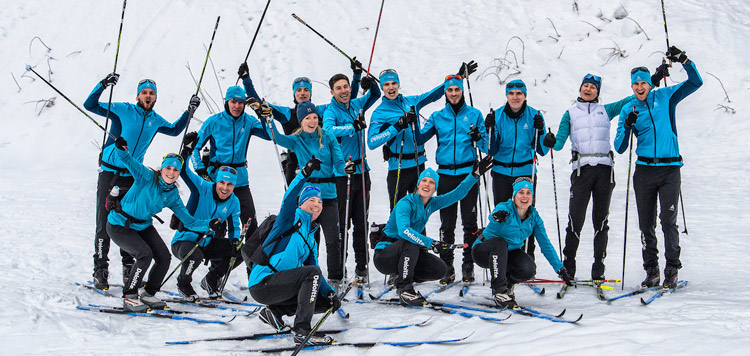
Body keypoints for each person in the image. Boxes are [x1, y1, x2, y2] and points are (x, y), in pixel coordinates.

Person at [84, 74, 197, 290]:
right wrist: (103, 85)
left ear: (155, 98)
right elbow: (89, 105)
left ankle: (129, 268)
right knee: (104, 220)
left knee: (129, 219)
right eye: (144, 92)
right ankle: (100, 269)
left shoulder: (155, 120)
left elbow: (174, 130)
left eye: (151, 93)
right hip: (109, 172)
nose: (148, 95)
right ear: (138, 96)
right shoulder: (123, 109)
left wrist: (189, 111)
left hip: (132, 176)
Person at [614, 46, 702, 289]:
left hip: (669, 170)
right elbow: (620, 147)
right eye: (635, 85)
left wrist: (684, 60)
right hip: (644, 172)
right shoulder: (628, 109)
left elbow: (696, 82)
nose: (640, 87)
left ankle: (672, 268)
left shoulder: (664, 97)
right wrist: (629, 126)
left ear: (649, 85)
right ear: (632, 87)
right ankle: (651, 269)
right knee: (646, 224)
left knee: (668, 221)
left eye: (643, 83)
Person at [542, 74, 635, 280]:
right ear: (580, 89)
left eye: (593, 87)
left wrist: (652, 80)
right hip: (581, 171)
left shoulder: (606, 110)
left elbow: (632, 98)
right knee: (575, 219)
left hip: (604, 170)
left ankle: (598, 265)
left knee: (600, 220)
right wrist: (547, 140)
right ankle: (569, 264)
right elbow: (557, 144)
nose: (588, 89)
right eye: (585, 85)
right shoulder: (571, 113)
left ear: (598, 92)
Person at [106, 137, 215, 312]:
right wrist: (121, 148)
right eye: (168, 168)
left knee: (164, 257)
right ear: (162, 168)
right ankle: (130, 296)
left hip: (143, 226)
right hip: (120, 224)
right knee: (144, 255)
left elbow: (189, 221)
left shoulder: (172, 194)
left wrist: (209, 224)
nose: (171, 173)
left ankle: (148, 292)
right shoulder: (146, 176)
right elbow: (128, 160)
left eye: (175, 170)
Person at [246, 157, 341, 347]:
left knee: (323, 300)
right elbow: (289, 197)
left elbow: (314, 269)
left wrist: (330, 293)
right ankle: (302, 331)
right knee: (311, 274)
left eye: (320, 201)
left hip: (280, 286)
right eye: (311, 200)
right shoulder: (289, 220)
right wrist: (304, 174)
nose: (317, 204)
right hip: (263, 283)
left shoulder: (311, 235)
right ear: (301, 203)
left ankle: (274, 312)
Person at [373, 158, 493, 306]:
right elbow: (404, 231)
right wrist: (431, 243)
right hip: (385, 256)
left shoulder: (432, 203)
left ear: (435, 188)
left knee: (440, 269)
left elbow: (457, 194)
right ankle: (405, 288)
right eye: (424, 180)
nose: (427, 184)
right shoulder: (406, 203)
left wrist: (474, 176)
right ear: (418, 184)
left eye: (431, 182)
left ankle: (403, 275)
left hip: (406, 254)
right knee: (411, 242)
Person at [238, 60, 361, 184]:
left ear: (310, 93)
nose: (302, 93)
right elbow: (261, 104)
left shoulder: (321, 111)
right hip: (295, 168)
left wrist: (356, 77)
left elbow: (345, 101)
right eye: (299, 90)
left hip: (322, 169)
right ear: (294, 93)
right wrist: (246, 79)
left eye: (306, 90)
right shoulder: (286, 113)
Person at [265, 101, 346, 286]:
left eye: (315, 117)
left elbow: (339, 161)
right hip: (307, 196)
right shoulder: (297, 139)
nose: (312, 121)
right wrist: (269, 120)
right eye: (307, 118)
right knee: (308, 239)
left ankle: (335, 278)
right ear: (301, 121)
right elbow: (276, 138)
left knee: (333, 238)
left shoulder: (328, 136)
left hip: (328, 195)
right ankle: (308, 276)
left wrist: (346, 168)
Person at [419, 73, 488, 284]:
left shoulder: (475, 114)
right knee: (447, 224)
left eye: (457, 89)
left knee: (470, 222)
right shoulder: (438, 116)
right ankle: (447, 265)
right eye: (450, 90)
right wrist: (413, 118)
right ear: (445, 93)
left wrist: (479, 138)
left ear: (462, 91)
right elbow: (420, 139)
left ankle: (468, 264)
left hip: (468, 174)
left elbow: (486, 147)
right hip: (446, 174)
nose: (454, 93)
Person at [190, 85, 272, 256]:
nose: (237, 106)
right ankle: (216, 269)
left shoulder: (249, 121)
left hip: (240, 180)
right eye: (233, 102)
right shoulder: (213, 121)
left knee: (250, 223)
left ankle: (254, 269)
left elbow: (268, 134)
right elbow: (194, 148)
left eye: (241, 102)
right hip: (218, 180)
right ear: (227, 102)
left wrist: (261, 114)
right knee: (219, 224)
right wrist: (201, 171)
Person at [473, 178, 572, 308]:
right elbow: (494, 214)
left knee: (528, 269)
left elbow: (545, 244)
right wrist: (498, 216)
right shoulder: (506, 209)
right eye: (521, 192)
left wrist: (560, 269)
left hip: (506, 255)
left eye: (528, 193)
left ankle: (507, 285)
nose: (524, 196)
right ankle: (499, 292)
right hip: (483, 252)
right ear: (514, 196)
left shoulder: (534, 218)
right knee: (499, 242)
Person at [169, 133, 243, 301]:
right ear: (216, 182)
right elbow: (184, 171)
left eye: (230, 184)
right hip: (184, 240)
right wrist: (186, 151)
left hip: (206, 243)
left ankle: (211, 279)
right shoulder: (203, 187)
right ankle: (184, 283)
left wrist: (235, 240)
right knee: (194, 255)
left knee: (239, 251)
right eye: (222, 183)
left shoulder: (234, 201)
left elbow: (234, 227)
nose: (225, 188)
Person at [323, 72, 381, 283]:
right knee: (341, 225)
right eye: (339, 88)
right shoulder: (331, 111)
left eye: (346, 86)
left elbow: (375, 95)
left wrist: (371, 84)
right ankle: (339, 268)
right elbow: (328, 131)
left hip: (362, 172)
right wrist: (352, 126)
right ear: (332, 92)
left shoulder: (357, 104)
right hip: (342, 174)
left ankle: (362, 266)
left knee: (361, 223)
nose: (344, 91)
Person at [486, 79, 549, 259]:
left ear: (525, 95)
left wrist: (542, 130)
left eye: (519, 93)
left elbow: (542, 150)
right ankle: (501, 257)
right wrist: (488, 128)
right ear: (506, 95)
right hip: (501, 172)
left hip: (525, 172)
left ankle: (527, 258)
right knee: (502, 215)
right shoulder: (497, 115)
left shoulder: (534, 115)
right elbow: (491, 150)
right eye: (511, 93)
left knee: (525, 216)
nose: (515, 97)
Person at [368, 68, 446, 210]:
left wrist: (454, 80)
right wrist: (397, 126)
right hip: (398, 168)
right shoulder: (379, 112)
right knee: (399, 213)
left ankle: (419, 233)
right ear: (382, 88)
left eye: (393, 83)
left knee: (420, 211)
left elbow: (432, 95)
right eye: (386, 85)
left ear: (398, 84)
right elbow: (372, 142)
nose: (391, 87)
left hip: (418, 165)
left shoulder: (411, 102)